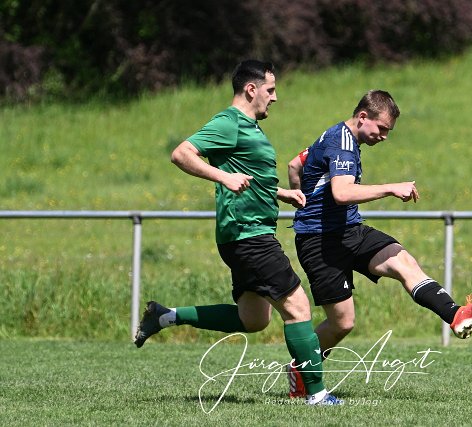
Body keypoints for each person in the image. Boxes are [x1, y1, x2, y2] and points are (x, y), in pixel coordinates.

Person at [133, 60, 341, 405]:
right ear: (251, 89)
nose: (274, 98)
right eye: (270, 90)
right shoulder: (229, 122)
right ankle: (317, 395)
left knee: (253, 319)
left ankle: (165, 315)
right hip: (249, 235)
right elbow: (181, 154)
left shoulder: (249, 127)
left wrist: (280, 193)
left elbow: (246, 173)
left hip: (245, 235)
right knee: (298, 308)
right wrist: (223, 177)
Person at [285, 90, 472, 398]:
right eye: (382, 128)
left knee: (402, 260)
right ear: (363, 117)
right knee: (342, 323)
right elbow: (342, 194)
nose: (384, 136)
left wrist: (300, 196)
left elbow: (295, 164)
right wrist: (390, 188)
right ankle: (301, 367)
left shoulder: (336, 137)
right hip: (319, 241)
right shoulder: (342, 143)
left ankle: (456, 314)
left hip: (349, 230)